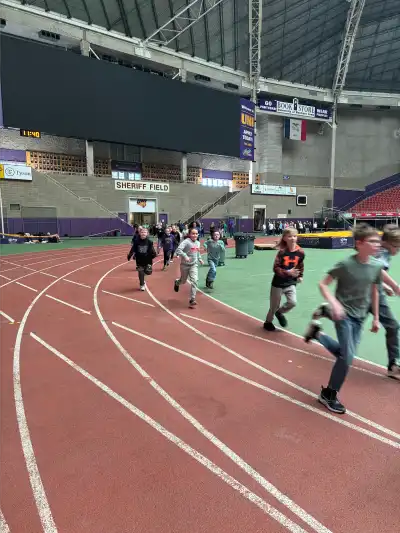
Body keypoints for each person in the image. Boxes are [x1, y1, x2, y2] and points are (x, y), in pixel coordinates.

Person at [303, 224, 400, 414]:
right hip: (344, 314)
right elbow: (323, 284)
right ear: (360, 243)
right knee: (347, 356)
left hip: (360, 316)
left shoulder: (376, 265)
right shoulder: (346, 265)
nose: (377, 244)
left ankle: (318, 334)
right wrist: (335, 303)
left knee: (346, 355)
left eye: (377, 241)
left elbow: (374, 288)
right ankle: (329, 393)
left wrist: (376, 318)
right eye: (372, 241)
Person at [264, 228, 305, 332]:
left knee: (293, 302)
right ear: (285, 238)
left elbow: (300, 264)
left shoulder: (300, 252)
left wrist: (300, 275)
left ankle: (280, 312)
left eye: (295, 236)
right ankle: (268, 322)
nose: (293, 238)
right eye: (290, 236)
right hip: (278, 284)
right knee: (274, 306)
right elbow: (276, 268)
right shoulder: (282, 252)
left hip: (291, 283)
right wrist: (288, 272)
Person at [174, 227, 204, 308]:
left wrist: (200, 259)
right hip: (184, 265)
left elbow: (197, 252)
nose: (195, 235)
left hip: (194, 265)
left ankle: (192, 299)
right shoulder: (186, 242)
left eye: (196, 234)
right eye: (193, 233)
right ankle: (177, 282)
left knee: (194, 280)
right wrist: (185, 256)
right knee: (183, 281)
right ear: (189, 234)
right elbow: (178, 250)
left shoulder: (198, 242)